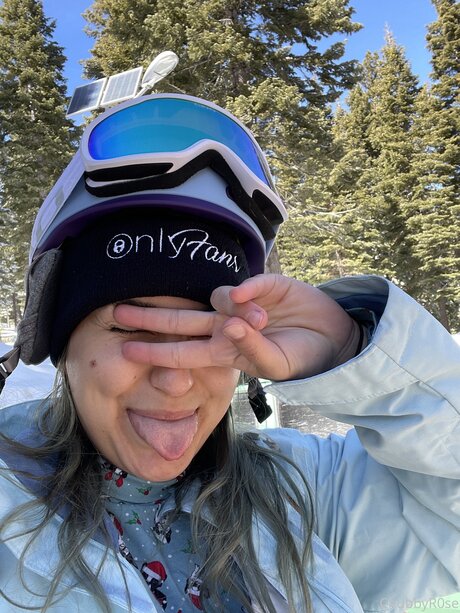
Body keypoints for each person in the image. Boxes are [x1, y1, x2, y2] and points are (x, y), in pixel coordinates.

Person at [0, 93, 458, 613]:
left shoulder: (297, 491)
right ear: (61, 344)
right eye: (135, 328)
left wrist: (351, 349)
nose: (176, 379)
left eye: (211, 332)